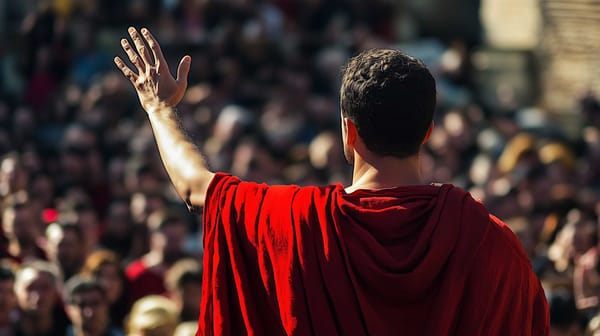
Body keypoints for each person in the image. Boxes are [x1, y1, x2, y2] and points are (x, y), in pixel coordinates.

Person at [115, 27, 550, 335]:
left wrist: (159, 107)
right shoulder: (490, 243)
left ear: (348, 131)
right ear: (428, 132)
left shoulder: (293, 221)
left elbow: (196, 188)